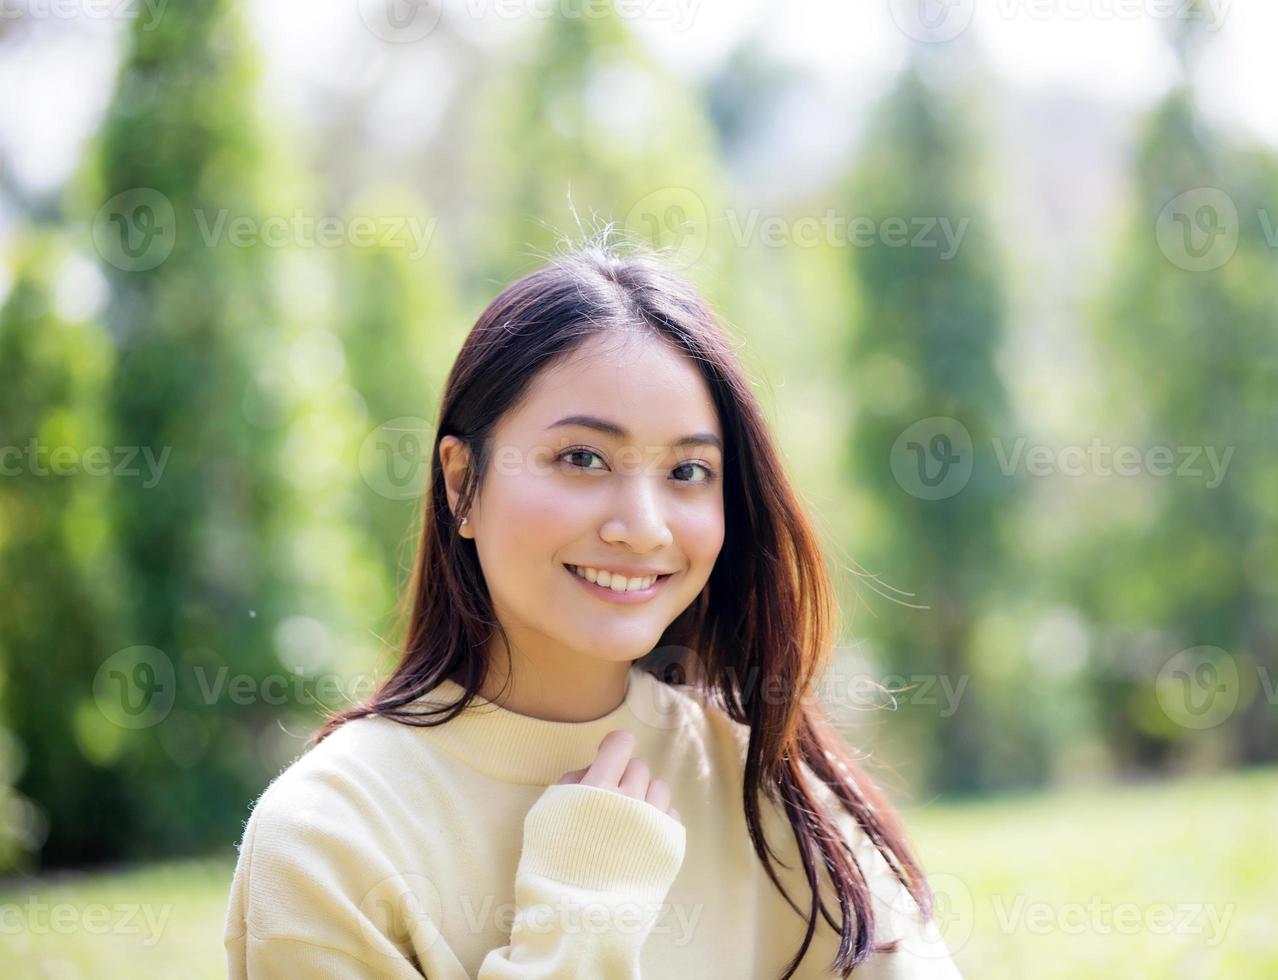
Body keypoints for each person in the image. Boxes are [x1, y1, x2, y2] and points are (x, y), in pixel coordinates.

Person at [222, 236, 965, 978]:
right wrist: (578, 928)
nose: (642, 526)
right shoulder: (330, 837)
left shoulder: (776, 783)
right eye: (582, 458)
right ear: (461, 484)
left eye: (687, 470)